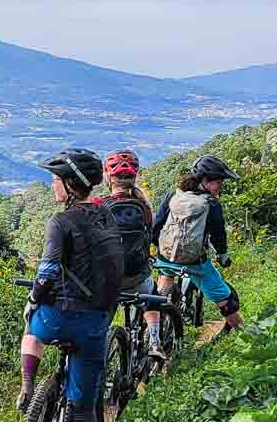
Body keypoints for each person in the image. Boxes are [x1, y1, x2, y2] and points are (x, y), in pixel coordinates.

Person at [18, 148, 125, 422]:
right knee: (84, 411)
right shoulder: (106, 215)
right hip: (96, 321)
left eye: (55, 180)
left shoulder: (60, 221)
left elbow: (48, 270)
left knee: (32, 327)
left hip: (60, 316)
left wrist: (34, 299)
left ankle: (27, 386)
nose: (52, 185)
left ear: (69, 184)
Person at [153, 155, 244, 335]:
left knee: (162, 285)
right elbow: (219, 236)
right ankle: (248, 337)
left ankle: (155, 328)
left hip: (165, 258)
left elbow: (157, 225)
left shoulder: (173, 195)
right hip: (195, 263)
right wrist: (223, 257)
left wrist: (160, 249)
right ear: (206, 182)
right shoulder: (211, 204)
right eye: (219, 182)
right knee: (228, 301)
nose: (220, 188)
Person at [90, 148, 161, 356]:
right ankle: (155, 341)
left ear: (107, 176)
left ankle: (97, 347)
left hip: (106, 282)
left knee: (99, 315)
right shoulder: (143, 206)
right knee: (152, 296)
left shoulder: (98, 205)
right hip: (136, 278)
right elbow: (149, 237)